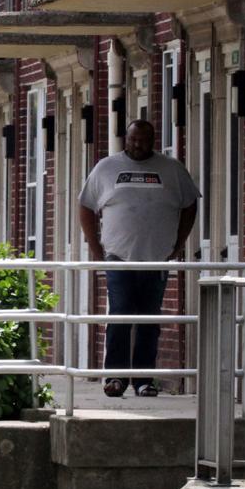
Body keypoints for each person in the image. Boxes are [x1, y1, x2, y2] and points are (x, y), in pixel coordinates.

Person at [78, 119, 198, 398]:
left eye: (143, 140)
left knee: (148, 319)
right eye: (132, 140)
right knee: (119, 315)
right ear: (126, 139)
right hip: (119, 257)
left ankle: (145, 380)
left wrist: (179, 244)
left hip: (156, 258)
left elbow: (190, 204)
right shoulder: (106, 168)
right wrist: (96, 250)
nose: (137, 145)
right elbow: (85, 206)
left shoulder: (172, 169)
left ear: (153, 140)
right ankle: (116, 378)